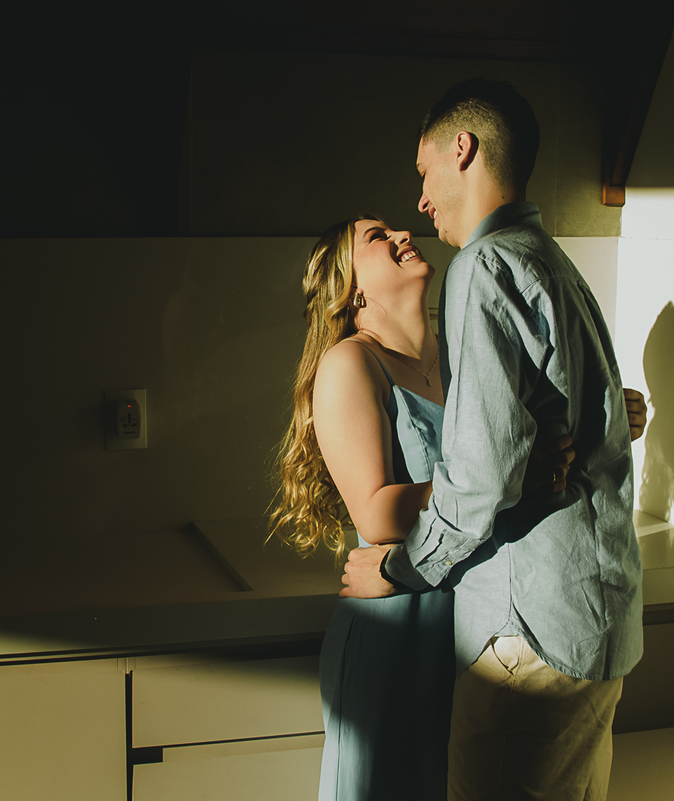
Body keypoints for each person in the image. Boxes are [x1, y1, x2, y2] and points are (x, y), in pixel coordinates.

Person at [339, 79, 644, 801]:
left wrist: (401, 570)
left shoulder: (482, 266)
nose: (420, 203)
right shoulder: (551, 260)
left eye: (423, 173)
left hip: (529, 629)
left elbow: (480, 478)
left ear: (462, 149)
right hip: (597, 616)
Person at [271, 213, 646, 798]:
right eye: (377, 237)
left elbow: (535, 444)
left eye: (395, 229)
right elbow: (375, 512)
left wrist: (609, 414)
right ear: (352, 290)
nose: (402, 235)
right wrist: (505, 475)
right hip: (398, 620)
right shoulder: (351, 363)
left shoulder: (464, 355)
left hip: (472, 615)